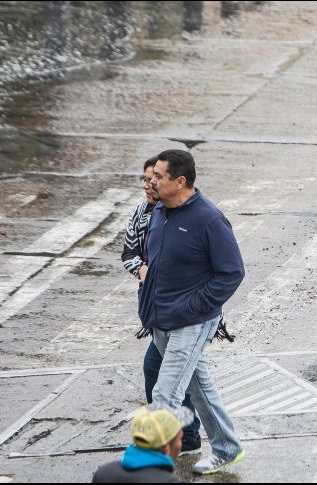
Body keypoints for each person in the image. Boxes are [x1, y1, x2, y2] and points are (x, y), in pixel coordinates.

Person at [139, 149, 245, 474]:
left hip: (191, 321)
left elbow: (232, 272)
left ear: (180, 181)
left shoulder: (209, 219)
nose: (151, 181)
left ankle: (150, 471)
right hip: (161, 318)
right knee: (198, 388)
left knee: (165, 395)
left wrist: (195, 307)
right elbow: (152, 258)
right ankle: (227, 448)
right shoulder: (159, 212)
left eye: (158, 177)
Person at [120, 155, 202, 456]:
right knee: (188, 373)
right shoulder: (143, 211)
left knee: (160, 368)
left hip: (185, 310)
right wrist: (146, 273)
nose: (148, 184)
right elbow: (129, 253)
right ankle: (189, 435)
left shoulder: (191, 214)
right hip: (156, 307)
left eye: (154, 178)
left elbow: (222, 269)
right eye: (145, 179)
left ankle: (177, 435)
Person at [92, 405, 193, 483]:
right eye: (179, 439)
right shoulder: (170, 481)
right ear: (167, 449)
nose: (180, 445)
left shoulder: (104, 473)